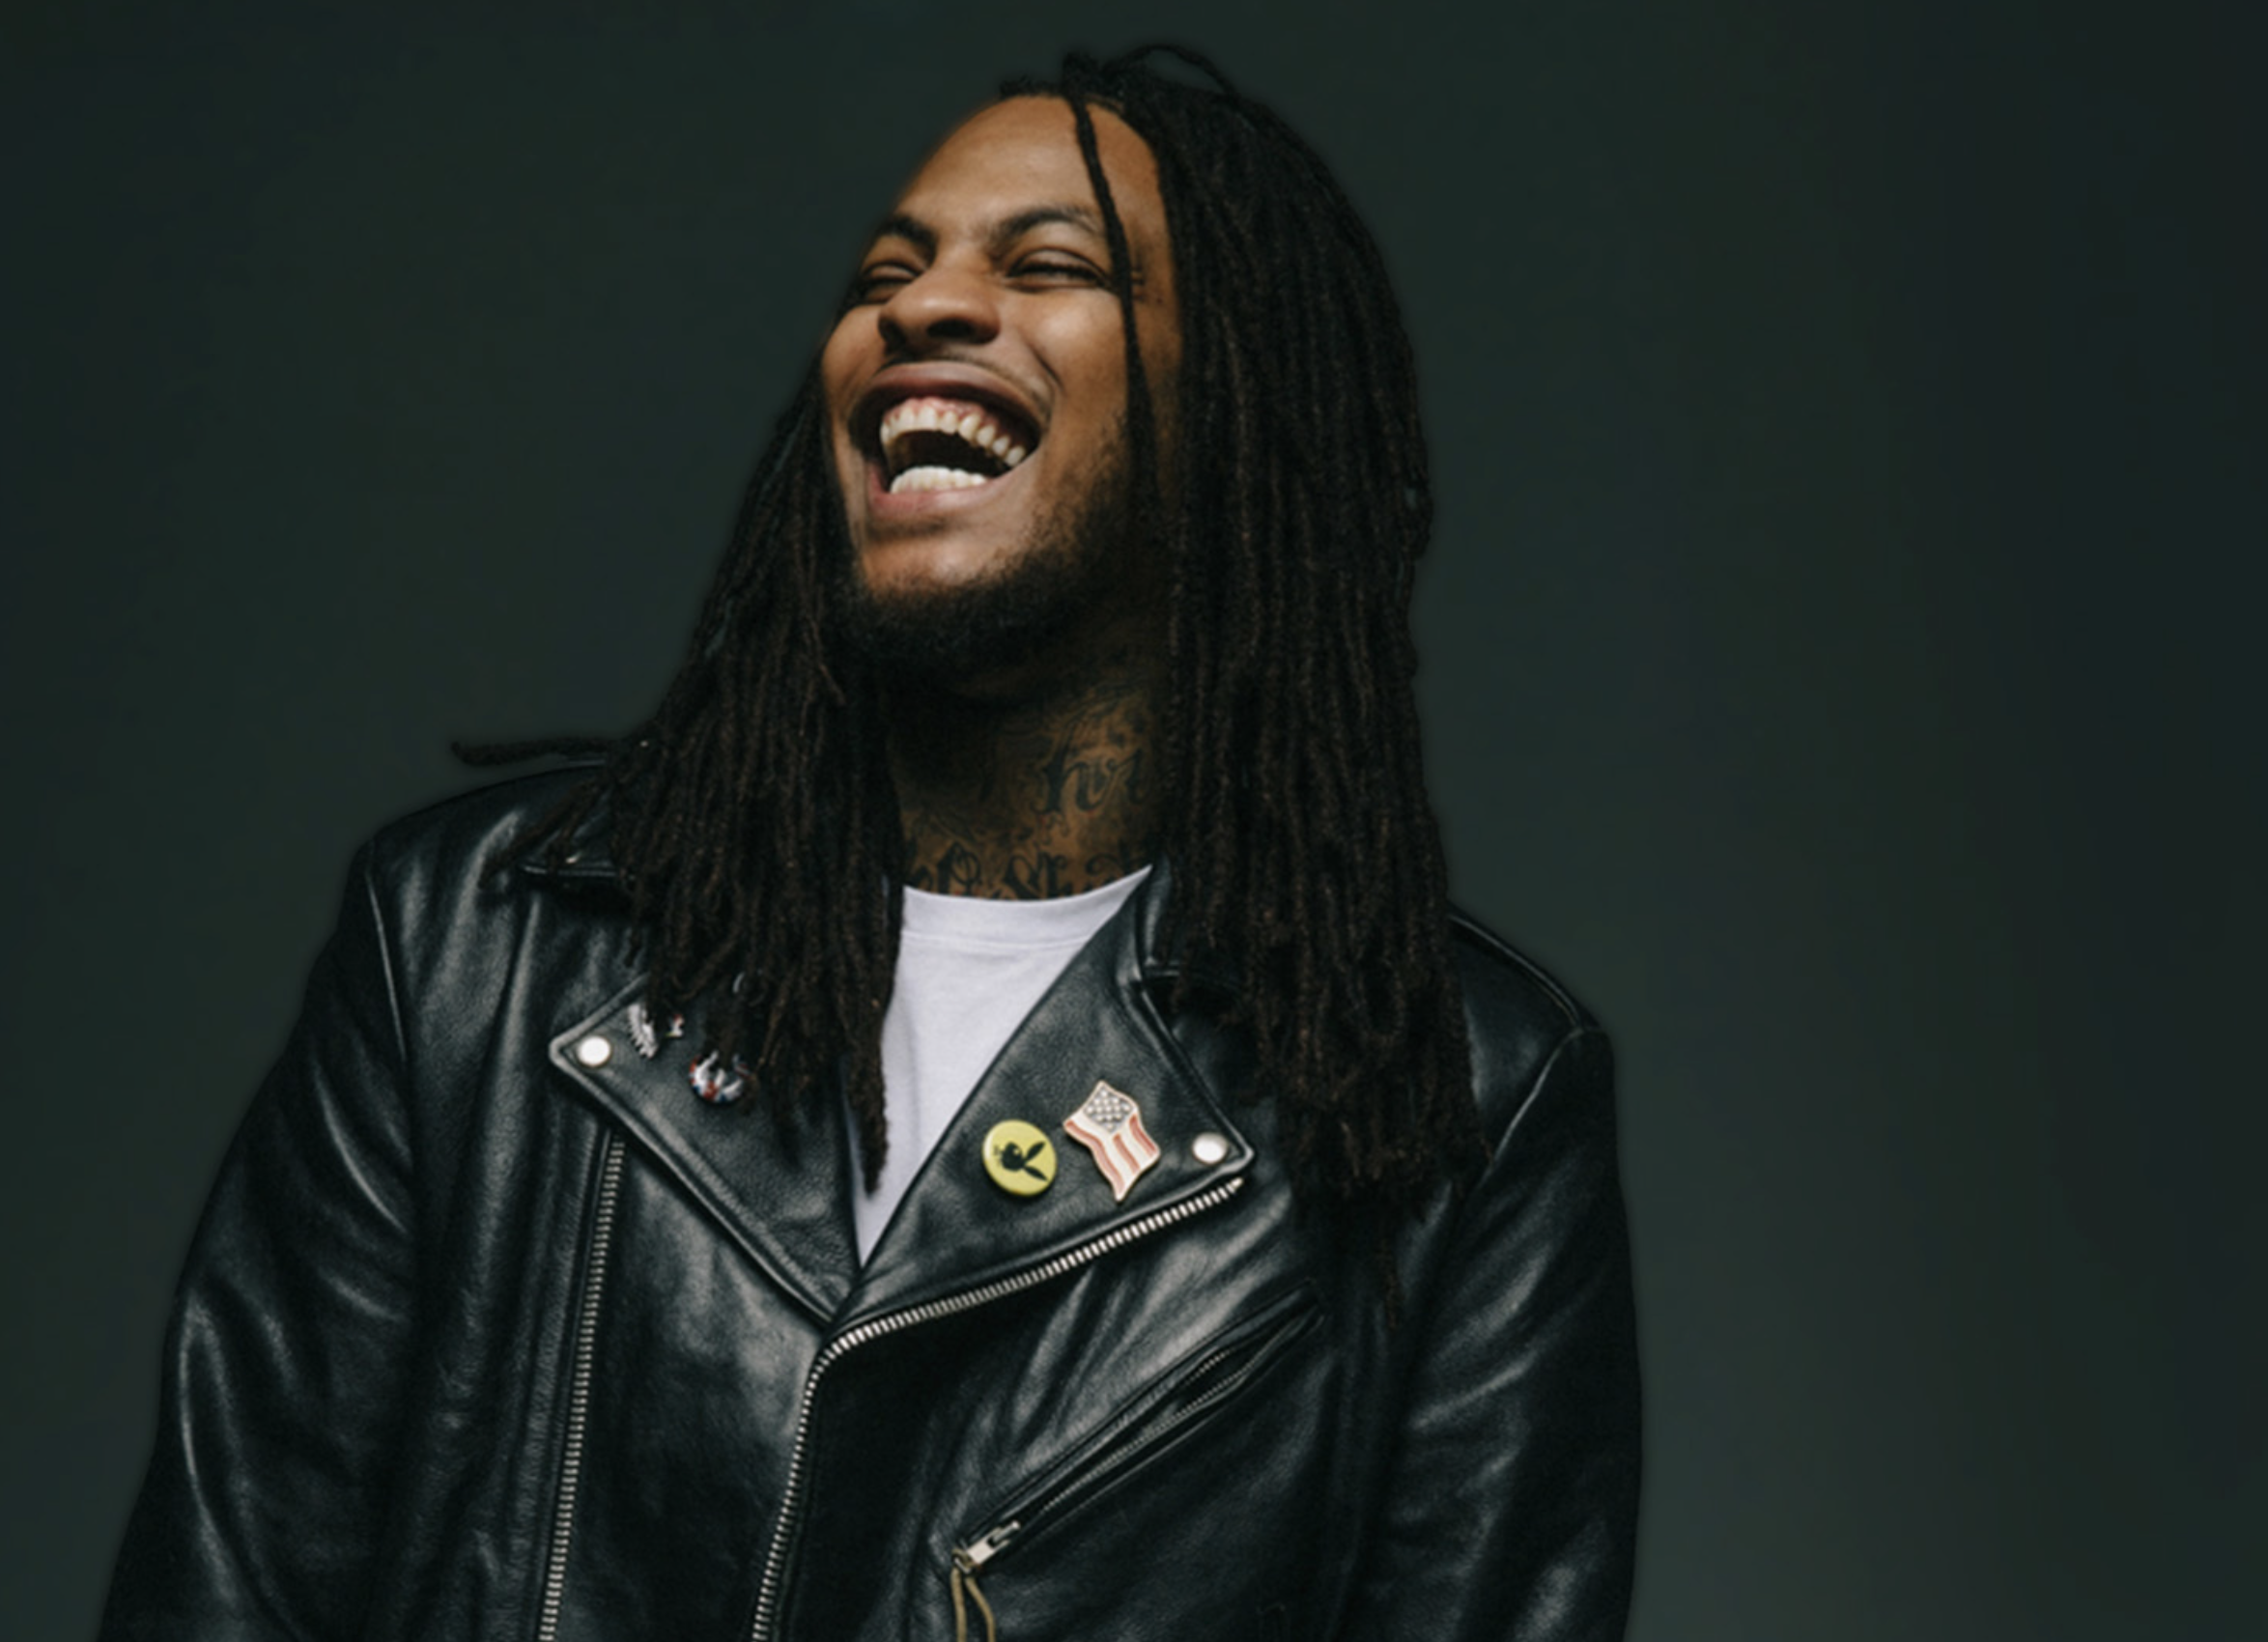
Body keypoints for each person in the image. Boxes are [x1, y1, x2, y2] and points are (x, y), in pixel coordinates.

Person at [99, 45, 1639, 1642]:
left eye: (1051, 266)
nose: (924, 307)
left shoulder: (1462, 1099)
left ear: (1243, 413)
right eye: (884, 275)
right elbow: (228, 1590)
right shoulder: (469, 948)